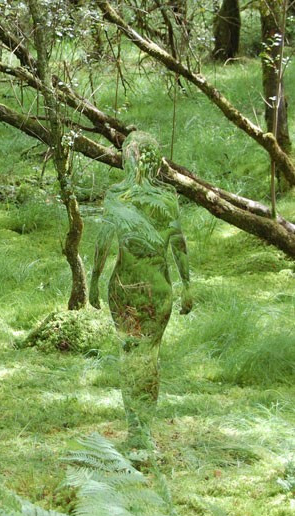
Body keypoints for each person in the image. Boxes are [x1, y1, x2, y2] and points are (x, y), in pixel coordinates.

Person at [90, 131, 193, 450]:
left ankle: (138, 427)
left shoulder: (118, 195)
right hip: (149, 288)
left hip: (127, 286)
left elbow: (104, 241)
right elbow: (177, 242)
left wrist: (93, 280)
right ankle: (141, 427)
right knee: (147, 356)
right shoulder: (165, 196)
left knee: (131, 355)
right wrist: (186, 285)